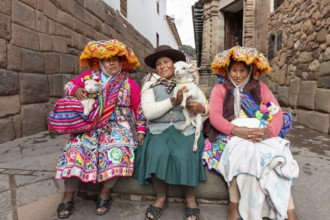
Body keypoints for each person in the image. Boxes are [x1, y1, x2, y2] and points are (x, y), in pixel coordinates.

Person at [202, 46, 299, 220]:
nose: (238, 75)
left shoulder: (259, 87)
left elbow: (277, 112)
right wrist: (237, 131)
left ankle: (288, 208)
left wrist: (267, 132)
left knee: (278, 154)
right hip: (231, 131)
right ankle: (234, 205)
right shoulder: (220, 89)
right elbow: (215, 117)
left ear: (249, 71)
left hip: (258, 130)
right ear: (228, 71)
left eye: (242, 70)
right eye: (234, 70)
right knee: (241, 153)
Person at [54, 39, 146, 219]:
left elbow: (139, 109)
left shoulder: (129, 84)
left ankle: (105, 192)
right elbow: (68, 86)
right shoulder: (90, 77)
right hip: (89, 124)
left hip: (117, 126)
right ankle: (69, 194)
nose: (112, 63)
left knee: (118, 151)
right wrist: (76, 91)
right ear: (101, 63)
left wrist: (141, 130)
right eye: (107, 60)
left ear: (121, 62)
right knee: (75, 150)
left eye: (116, 59)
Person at [133, 45, 208, 220]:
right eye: (158, 64)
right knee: (156, 152)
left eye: (166, 62)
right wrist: (173, 102)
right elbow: (149, 112)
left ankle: (190, 199)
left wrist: (202, 108)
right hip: (159, 129)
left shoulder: (187, 83)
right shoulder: (150, 85)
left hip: (185, 127)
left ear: (175, 64)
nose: (163, 66)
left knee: (187, 153)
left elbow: (205, 104)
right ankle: (161, 197)